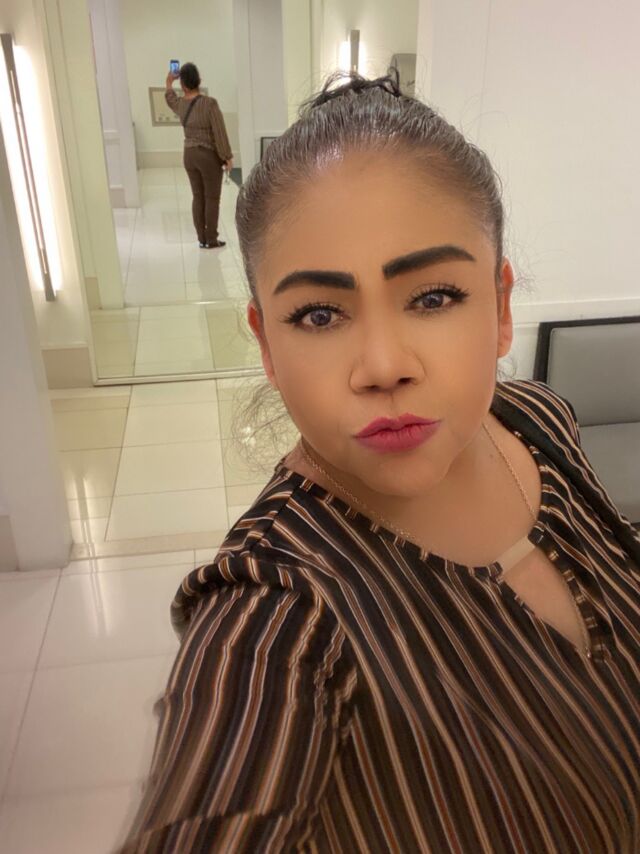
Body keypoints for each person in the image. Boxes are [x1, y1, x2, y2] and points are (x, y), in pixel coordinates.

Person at [119, 73, 640, 852]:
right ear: (267, 345)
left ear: (501, 308)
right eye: (318, 314)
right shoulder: (274, 614)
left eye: (432, 298)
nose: (384, 366)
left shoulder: (540, 422)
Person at [165, 62, 233, 249]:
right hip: (207, 156)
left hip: (189, 155)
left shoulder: (180, 104)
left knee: (197, 196)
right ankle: (211, 239)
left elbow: (170, 99)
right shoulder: (209, 103)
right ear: (199, 80)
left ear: (182, 84)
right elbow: (219, 131)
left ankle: (201, 238)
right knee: (212, 198)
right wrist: (226, 156)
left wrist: (169, 83)